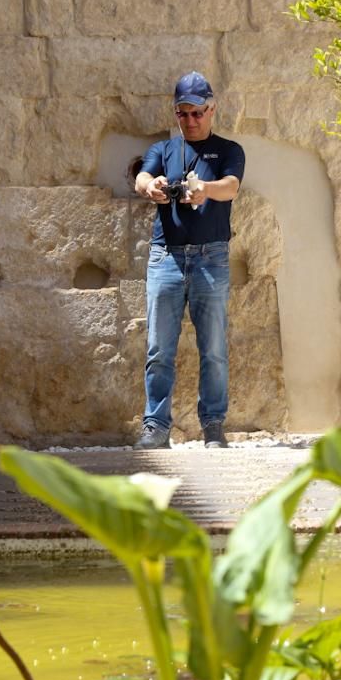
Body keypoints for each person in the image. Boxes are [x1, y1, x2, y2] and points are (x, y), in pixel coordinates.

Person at [133, 71, 244, 449]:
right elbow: (142, 178)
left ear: (211, 110)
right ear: (176, 113)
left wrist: (203, 191)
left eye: (198, 113)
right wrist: (154, 187)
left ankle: (213, 424)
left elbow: (231, 187)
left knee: (213, 346)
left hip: (211, 258)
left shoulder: (229, 150)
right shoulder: (163, 150)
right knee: (159, 348)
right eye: (183, 114)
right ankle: (155, 426)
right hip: (167, 257)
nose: (191, 121)